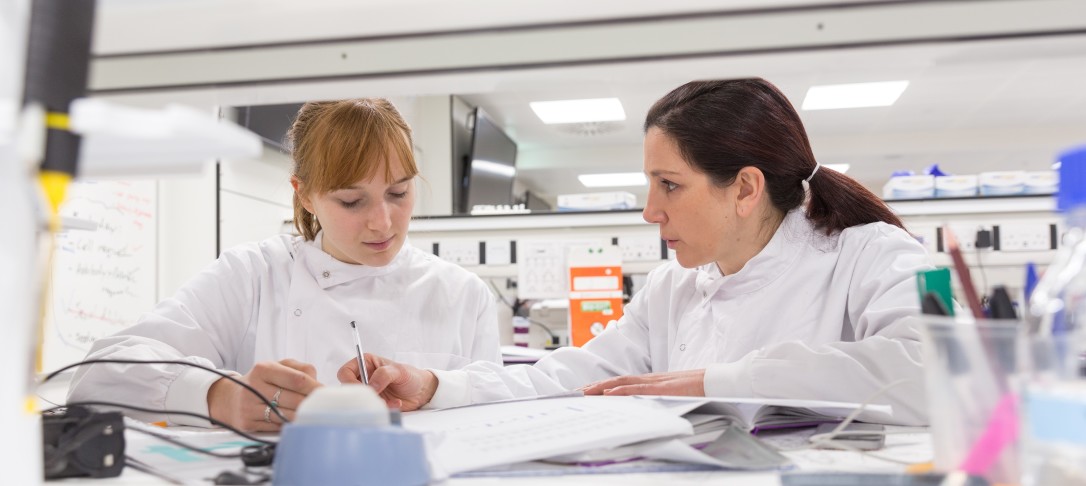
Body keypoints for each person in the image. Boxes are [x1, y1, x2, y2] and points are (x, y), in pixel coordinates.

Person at [340, 79, 934, 426]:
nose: (650, 211)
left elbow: (939, 375)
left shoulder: (877, 255)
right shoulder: (674, 288)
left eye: (669, 185)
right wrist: (439, 386)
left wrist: (719, 381)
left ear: (746, 188)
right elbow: (573, 376)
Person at [68, 99, 501, 431]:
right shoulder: (253, 275)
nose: (382, 222)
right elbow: (96, 375)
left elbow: (503, 420)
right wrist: (217, 396)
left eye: (399, 193)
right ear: (305, 194)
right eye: (351, 201)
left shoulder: (463, 294)